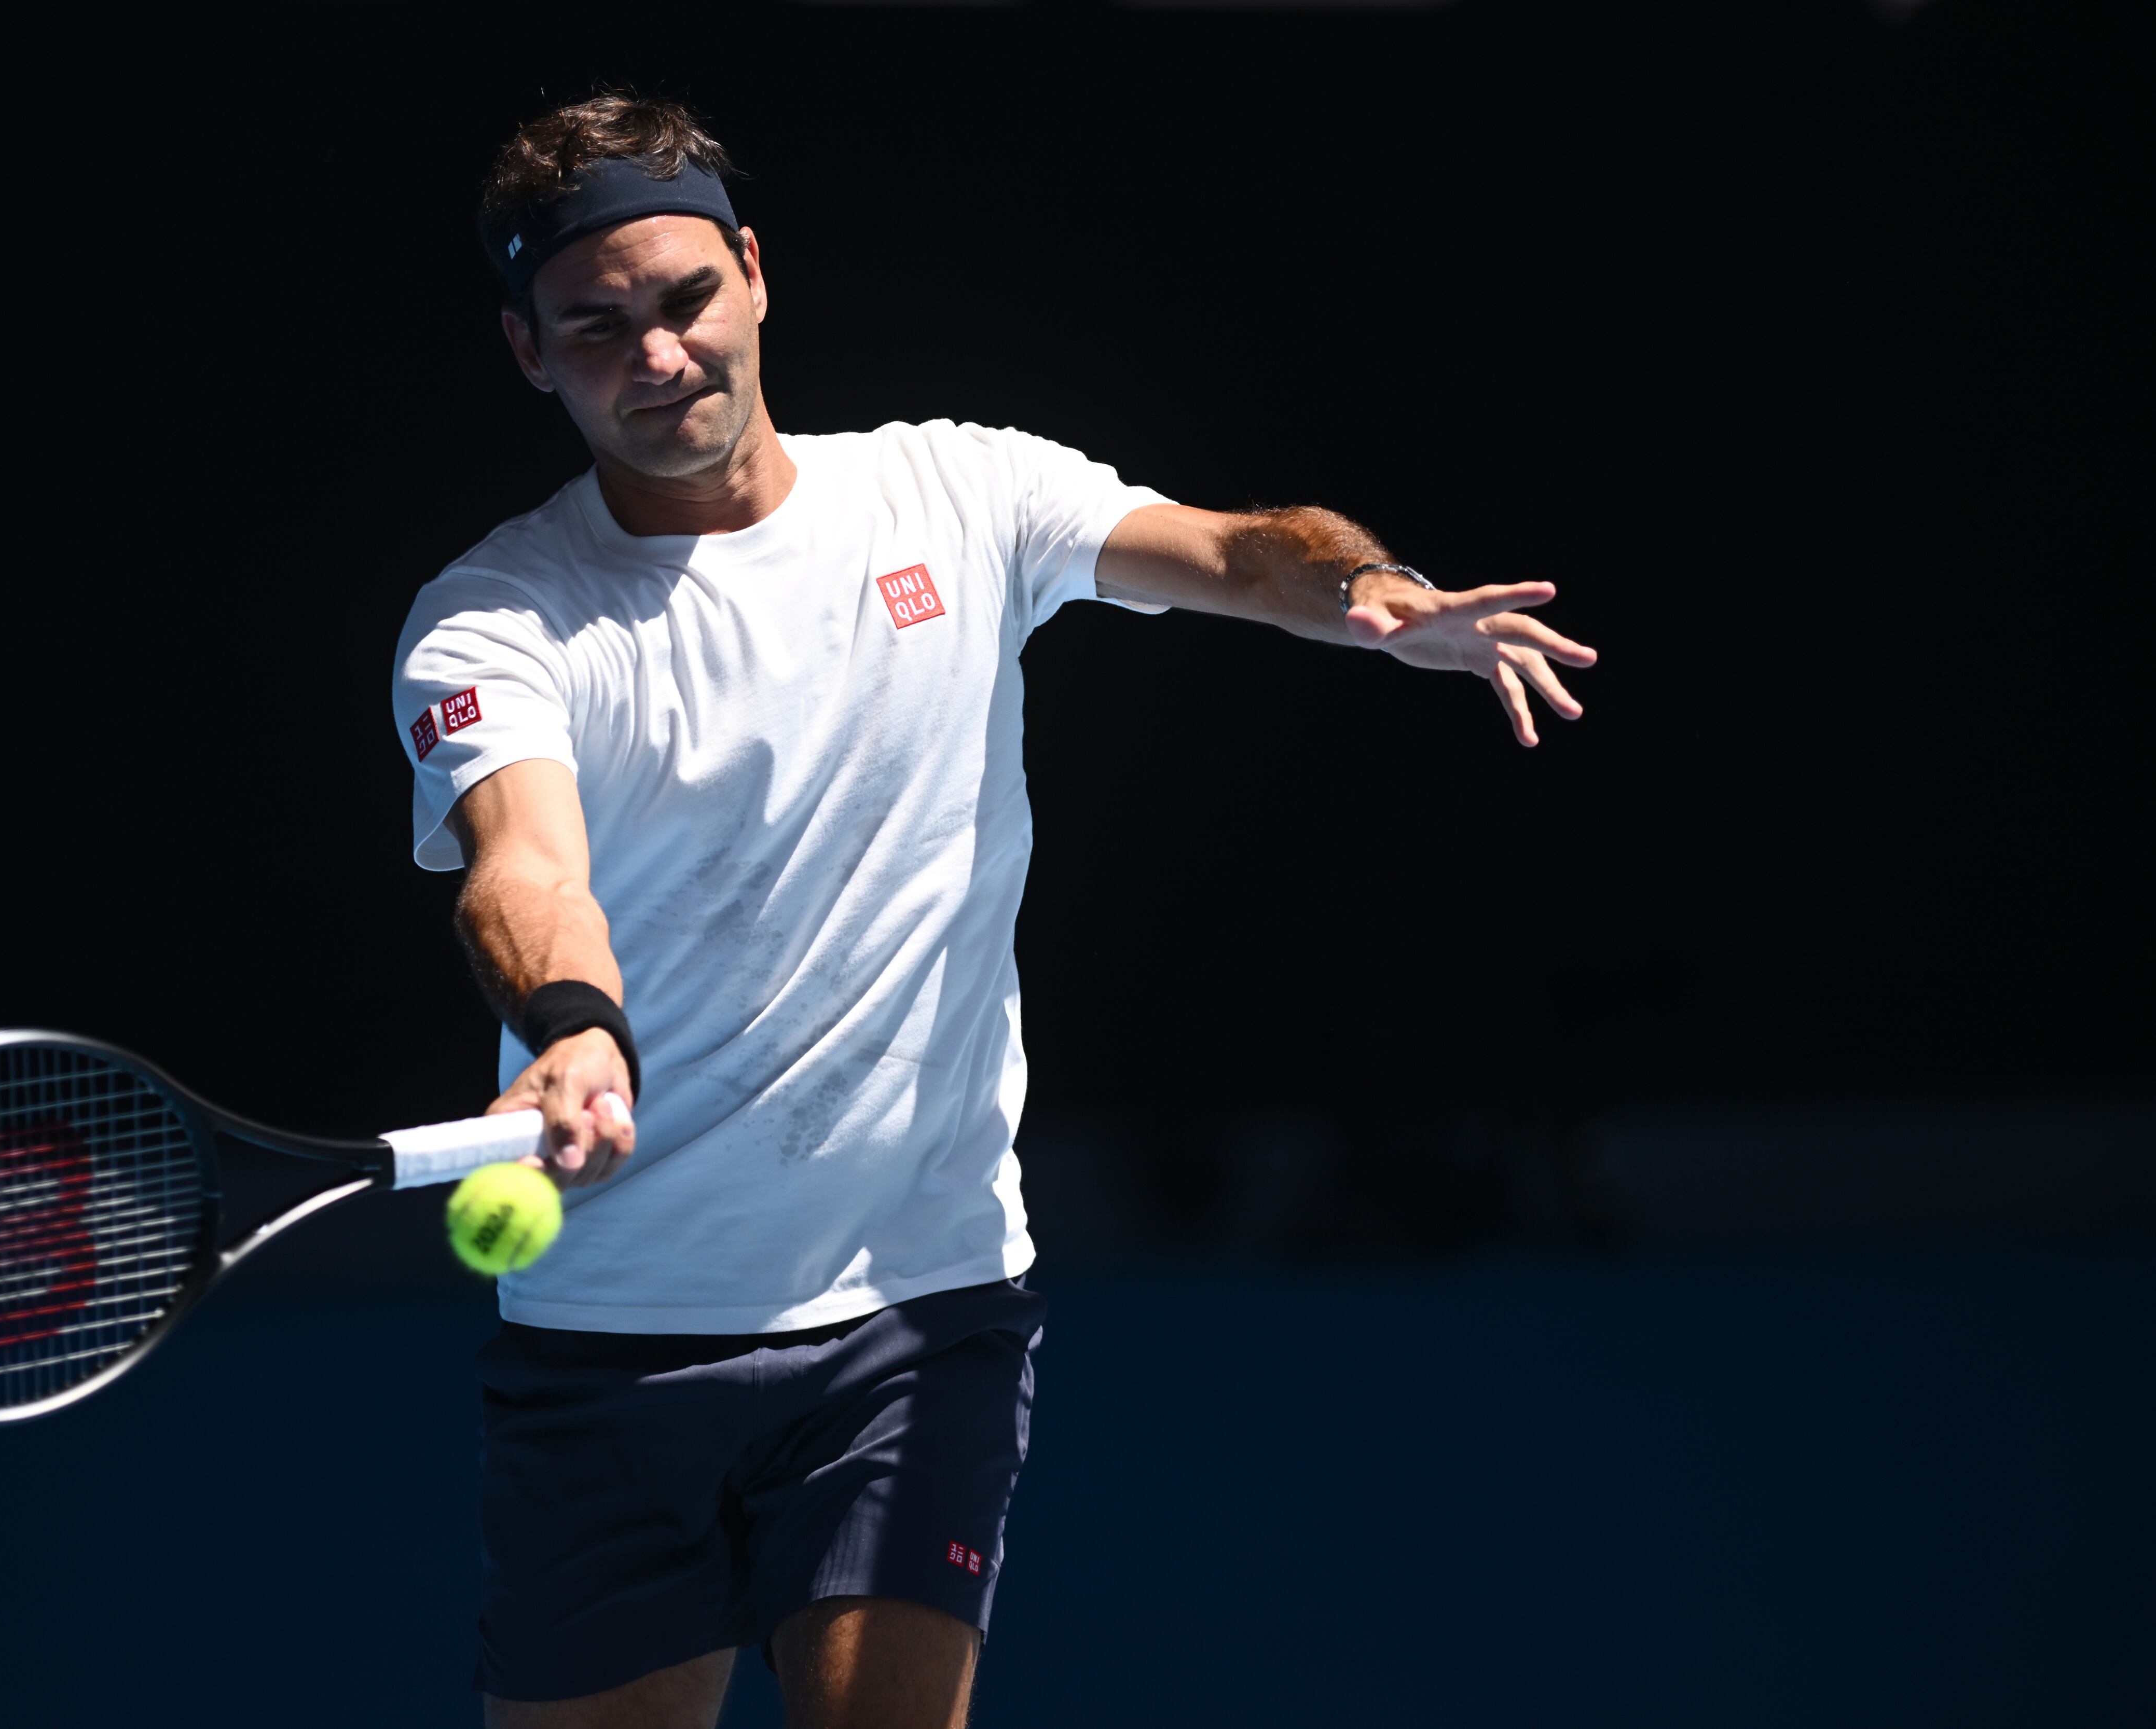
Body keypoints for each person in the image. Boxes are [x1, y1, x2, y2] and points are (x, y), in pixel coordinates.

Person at [392, 95, 1596, 1729]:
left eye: (684, 299)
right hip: (616, 1338)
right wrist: (576, 1029)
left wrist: (1363, 597)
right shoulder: (495, 617)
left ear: (754, 275)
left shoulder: (958, 497)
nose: (658, 354)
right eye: (598, 328)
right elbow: (527, 867)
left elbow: (1243, 551)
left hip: (920, 1309)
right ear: (531, 353)